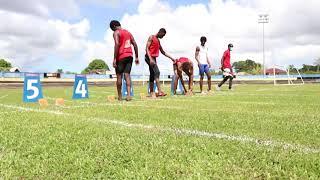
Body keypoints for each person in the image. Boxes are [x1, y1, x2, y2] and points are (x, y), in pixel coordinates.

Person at [110, 20, 139, 101]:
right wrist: (136, 57)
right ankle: (129, 95)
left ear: (114, 26)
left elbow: (117, 44)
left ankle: (120, 96)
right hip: (130, 56)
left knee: (119, 76)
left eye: (112, 29)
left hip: (121, 56)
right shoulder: (128, 32)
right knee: (127, 75)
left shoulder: (116, 32)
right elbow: (135, 44)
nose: (113, 31)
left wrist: (115, 58)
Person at [145, 28, 175, 98]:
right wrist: (150, 59)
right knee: (157, 72)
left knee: (152, 74)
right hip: (148, 57)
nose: (163, 37)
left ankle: (151, 92)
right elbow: (146, 48)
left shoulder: (158, 41)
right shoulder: (151, 37)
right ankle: (159, 91)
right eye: (163, 35)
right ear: (160, 32)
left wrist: (172, 58)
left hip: (153, 59)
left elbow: (163, 51)